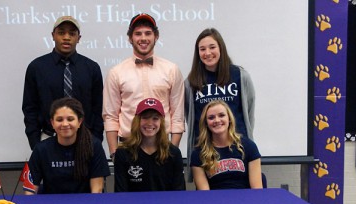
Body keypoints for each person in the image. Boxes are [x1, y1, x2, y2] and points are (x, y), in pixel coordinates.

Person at [103, 13, 185, 160]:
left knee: (163, 185)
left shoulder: (172, 70)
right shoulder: (116, 72)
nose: (143, 38)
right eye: (138, 34)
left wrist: (173, 150)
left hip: (162, 146)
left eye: (148, 33)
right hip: (127, 146)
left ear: (156, 36)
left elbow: (177, 115)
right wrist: (114, 152)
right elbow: (111, 116)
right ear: (130, 38)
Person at [22, 16, 104, 150]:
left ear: (79, 38)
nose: (66, 37)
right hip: (48, 139)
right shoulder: (36, 67)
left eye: (72, 33)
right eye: (61, 33)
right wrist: (36, 143)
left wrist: (96, 140)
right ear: (53, 36)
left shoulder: (91, 68)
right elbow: (30, 108)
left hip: (85, 140)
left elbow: (98, 108)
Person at [185, 28, 255, 181]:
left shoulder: (240, 76)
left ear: (221, 48)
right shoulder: (191, 82)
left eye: (212, 47)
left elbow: (248, 111)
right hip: (206, 154)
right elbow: (190, 115)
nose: (207, 53)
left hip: (238, 151)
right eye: (202, 49)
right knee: (208, 202)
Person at [26, 97, 110, 194]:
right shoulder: (41, 149)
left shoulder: (94, 146)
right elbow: (30, 191)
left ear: (79, 122)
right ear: (52, 123)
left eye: (70, 119)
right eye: (59, 120)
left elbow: (97, 190)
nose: (65, 124)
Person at [114, 98, 185, 192]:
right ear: (137, 121)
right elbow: (120, 194)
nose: (150, 123)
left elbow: (179, 192)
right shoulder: (123, 153)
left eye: (155, 118)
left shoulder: (173, 153)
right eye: (145, 117)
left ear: (161, 122)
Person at [191, 100, 262, 190]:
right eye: (211, 117)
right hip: (215, 202)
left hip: (245, 201)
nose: (217, 120)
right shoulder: (198, 154)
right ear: (206, 123)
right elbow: (205, 196)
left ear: (229, 119)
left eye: (221, 115)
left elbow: (257, 191)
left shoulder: (249, 147)